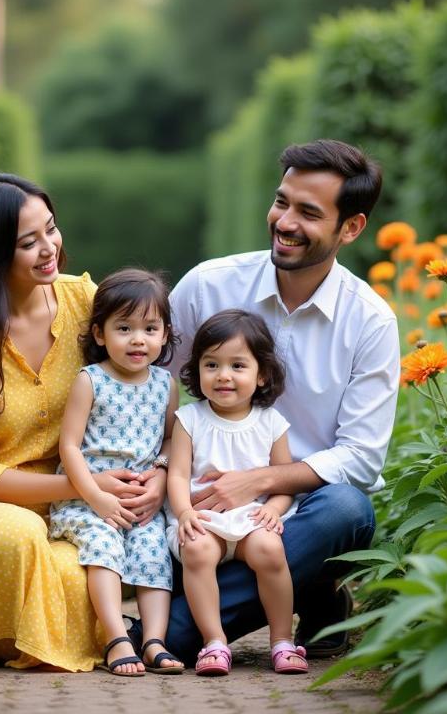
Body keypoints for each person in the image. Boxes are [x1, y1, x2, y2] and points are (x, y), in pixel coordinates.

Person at [0, 174, 168, 671]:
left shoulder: (85, 303)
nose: (50, 248)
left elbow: (150, 392)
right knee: (15, 536)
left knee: (88, 571)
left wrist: (162, 475)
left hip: (77, 512)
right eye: (29, 242)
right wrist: (84, 487)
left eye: (51, 229)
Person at [149, 139, 400, 664]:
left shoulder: (370, 321)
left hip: (296, 511)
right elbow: (153, 388)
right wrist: (159, 472)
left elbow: (361, 457)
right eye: (281, 201)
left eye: (308, 213)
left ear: (350, 228)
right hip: (197, 504)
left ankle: (191, 628)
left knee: (347, 509)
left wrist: (260, 481)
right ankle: (311, 592)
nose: (284, 221)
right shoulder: (207, 286)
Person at [49, 269, 184, 676]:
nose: (138, 339)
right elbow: (69, 445)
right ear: (101, 334)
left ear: (164, 335)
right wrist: (94, 496)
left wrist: (159, 471)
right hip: (88, 499)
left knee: (153, 551)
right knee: (104, 547)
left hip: (141, 500)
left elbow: (169, 440)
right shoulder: (91, 381)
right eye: (124, 328)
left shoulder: (165, 384)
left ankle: (154, 641)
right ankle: (115, 638)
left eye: (150, 328)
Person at [168, 309, 308, 676]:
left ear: (261, 374)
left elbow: (280, 479)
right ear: (197, 370)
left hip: (250, 520)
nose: (223, 376)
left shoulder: (271, 422)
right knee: (196, 549)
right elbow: (178, 475)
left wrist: (275, 508)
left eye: (237, 366)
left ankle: (282, 641)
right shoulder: (190, 419)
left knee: (269, 548)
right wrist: (184, 512)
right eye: (211, 365)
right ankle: (214, 642)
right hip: (206, 518)